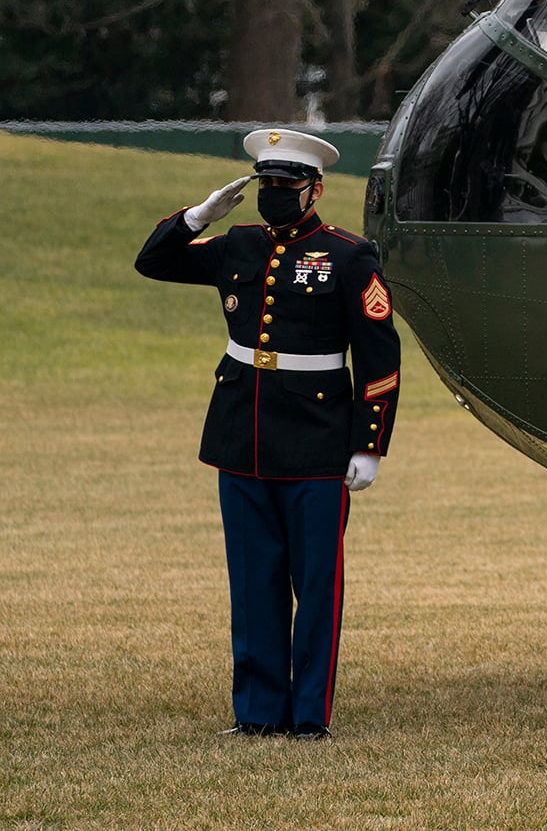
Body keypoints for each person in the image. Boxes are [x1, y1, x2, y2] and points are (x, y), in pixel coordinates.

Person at [134, 129, 401, 741]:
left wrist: (369, 443)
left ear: (315, 190)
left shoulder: (349, 255)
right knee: (253, 581)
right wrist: (199, 215)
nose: (274, 195)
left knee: (315, 585)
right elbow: (152, 262)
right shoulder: (238, 246)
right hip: (243, 433)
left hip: (316, 439)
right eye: (266, 185)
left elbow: (380, 358)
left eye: (286, 186)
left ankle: (308, 716)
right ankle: (257, 712)